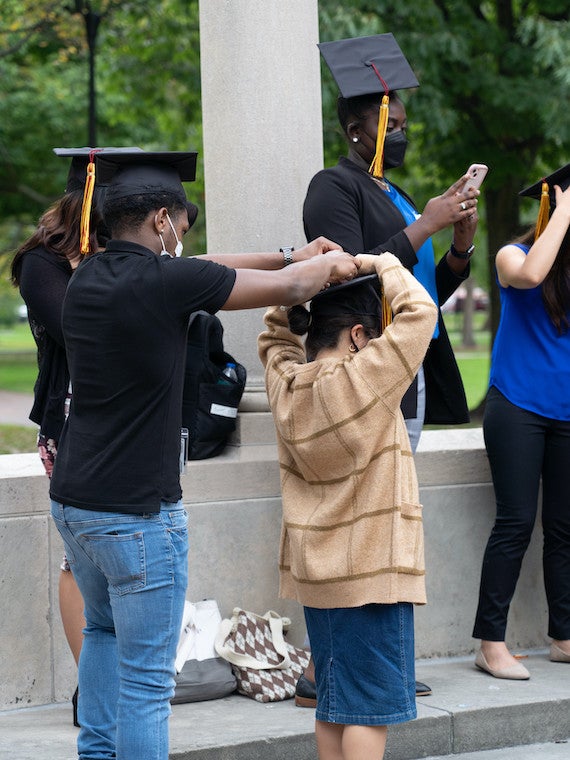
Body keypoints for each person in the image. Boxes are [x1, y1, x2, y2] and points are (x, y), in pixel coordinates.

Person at [48, 150, 359, 760]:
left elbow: (214, 267)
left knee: (103, 635)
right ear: (162, 220)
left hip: (74, 507)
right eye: (182, 227)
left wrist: (289, 255)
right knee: (146, 684)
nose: (185, 240)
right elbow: (291, 289)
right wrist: (331, 265)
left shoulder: (86, 276)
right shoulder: (166, 282)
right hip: (139, 517)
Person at [300, 31, 480, 704]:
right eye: (390, 123)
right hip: (360, 374)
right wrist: (427, 224)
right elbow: (346, 275)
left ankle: (356, 664)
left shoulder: (395, 191)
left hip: (410, 375)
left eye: (404, 123)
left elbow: (425, 299)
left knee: (385, 521)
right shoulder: (333, 187)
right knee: (360, 521)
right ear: (355, 129)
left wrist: (457, 248)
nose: (400, 132)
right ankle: (337, 669)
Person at [258, 251, 438, 760]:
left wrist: (301, 284)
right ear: (360, 336)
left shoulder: (287, 386)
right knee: (369, 711)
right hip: (372, 575)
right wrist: (382, 262)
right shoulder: (367, 380)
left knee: (334, 703)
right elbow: (421, 313)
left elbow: (274, 340)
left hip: (318, 575)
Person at [9, 146, 135, 726]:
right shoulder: (42, 264)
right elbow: (75, 329)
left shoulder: (124, 258)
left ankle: (117, 682)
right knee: (79, 560)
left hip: (128, 424)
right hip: (71, 424)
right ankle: (94, 686)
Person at [472, 164, 570, 680]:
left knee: (564, 529)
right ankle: (491, 643)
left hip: (567, 414)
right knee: (514, 525)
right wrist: (566, 208)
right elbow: (532, 276)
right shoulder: (514, 254)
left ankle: (563, 636)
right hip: (517, 408)